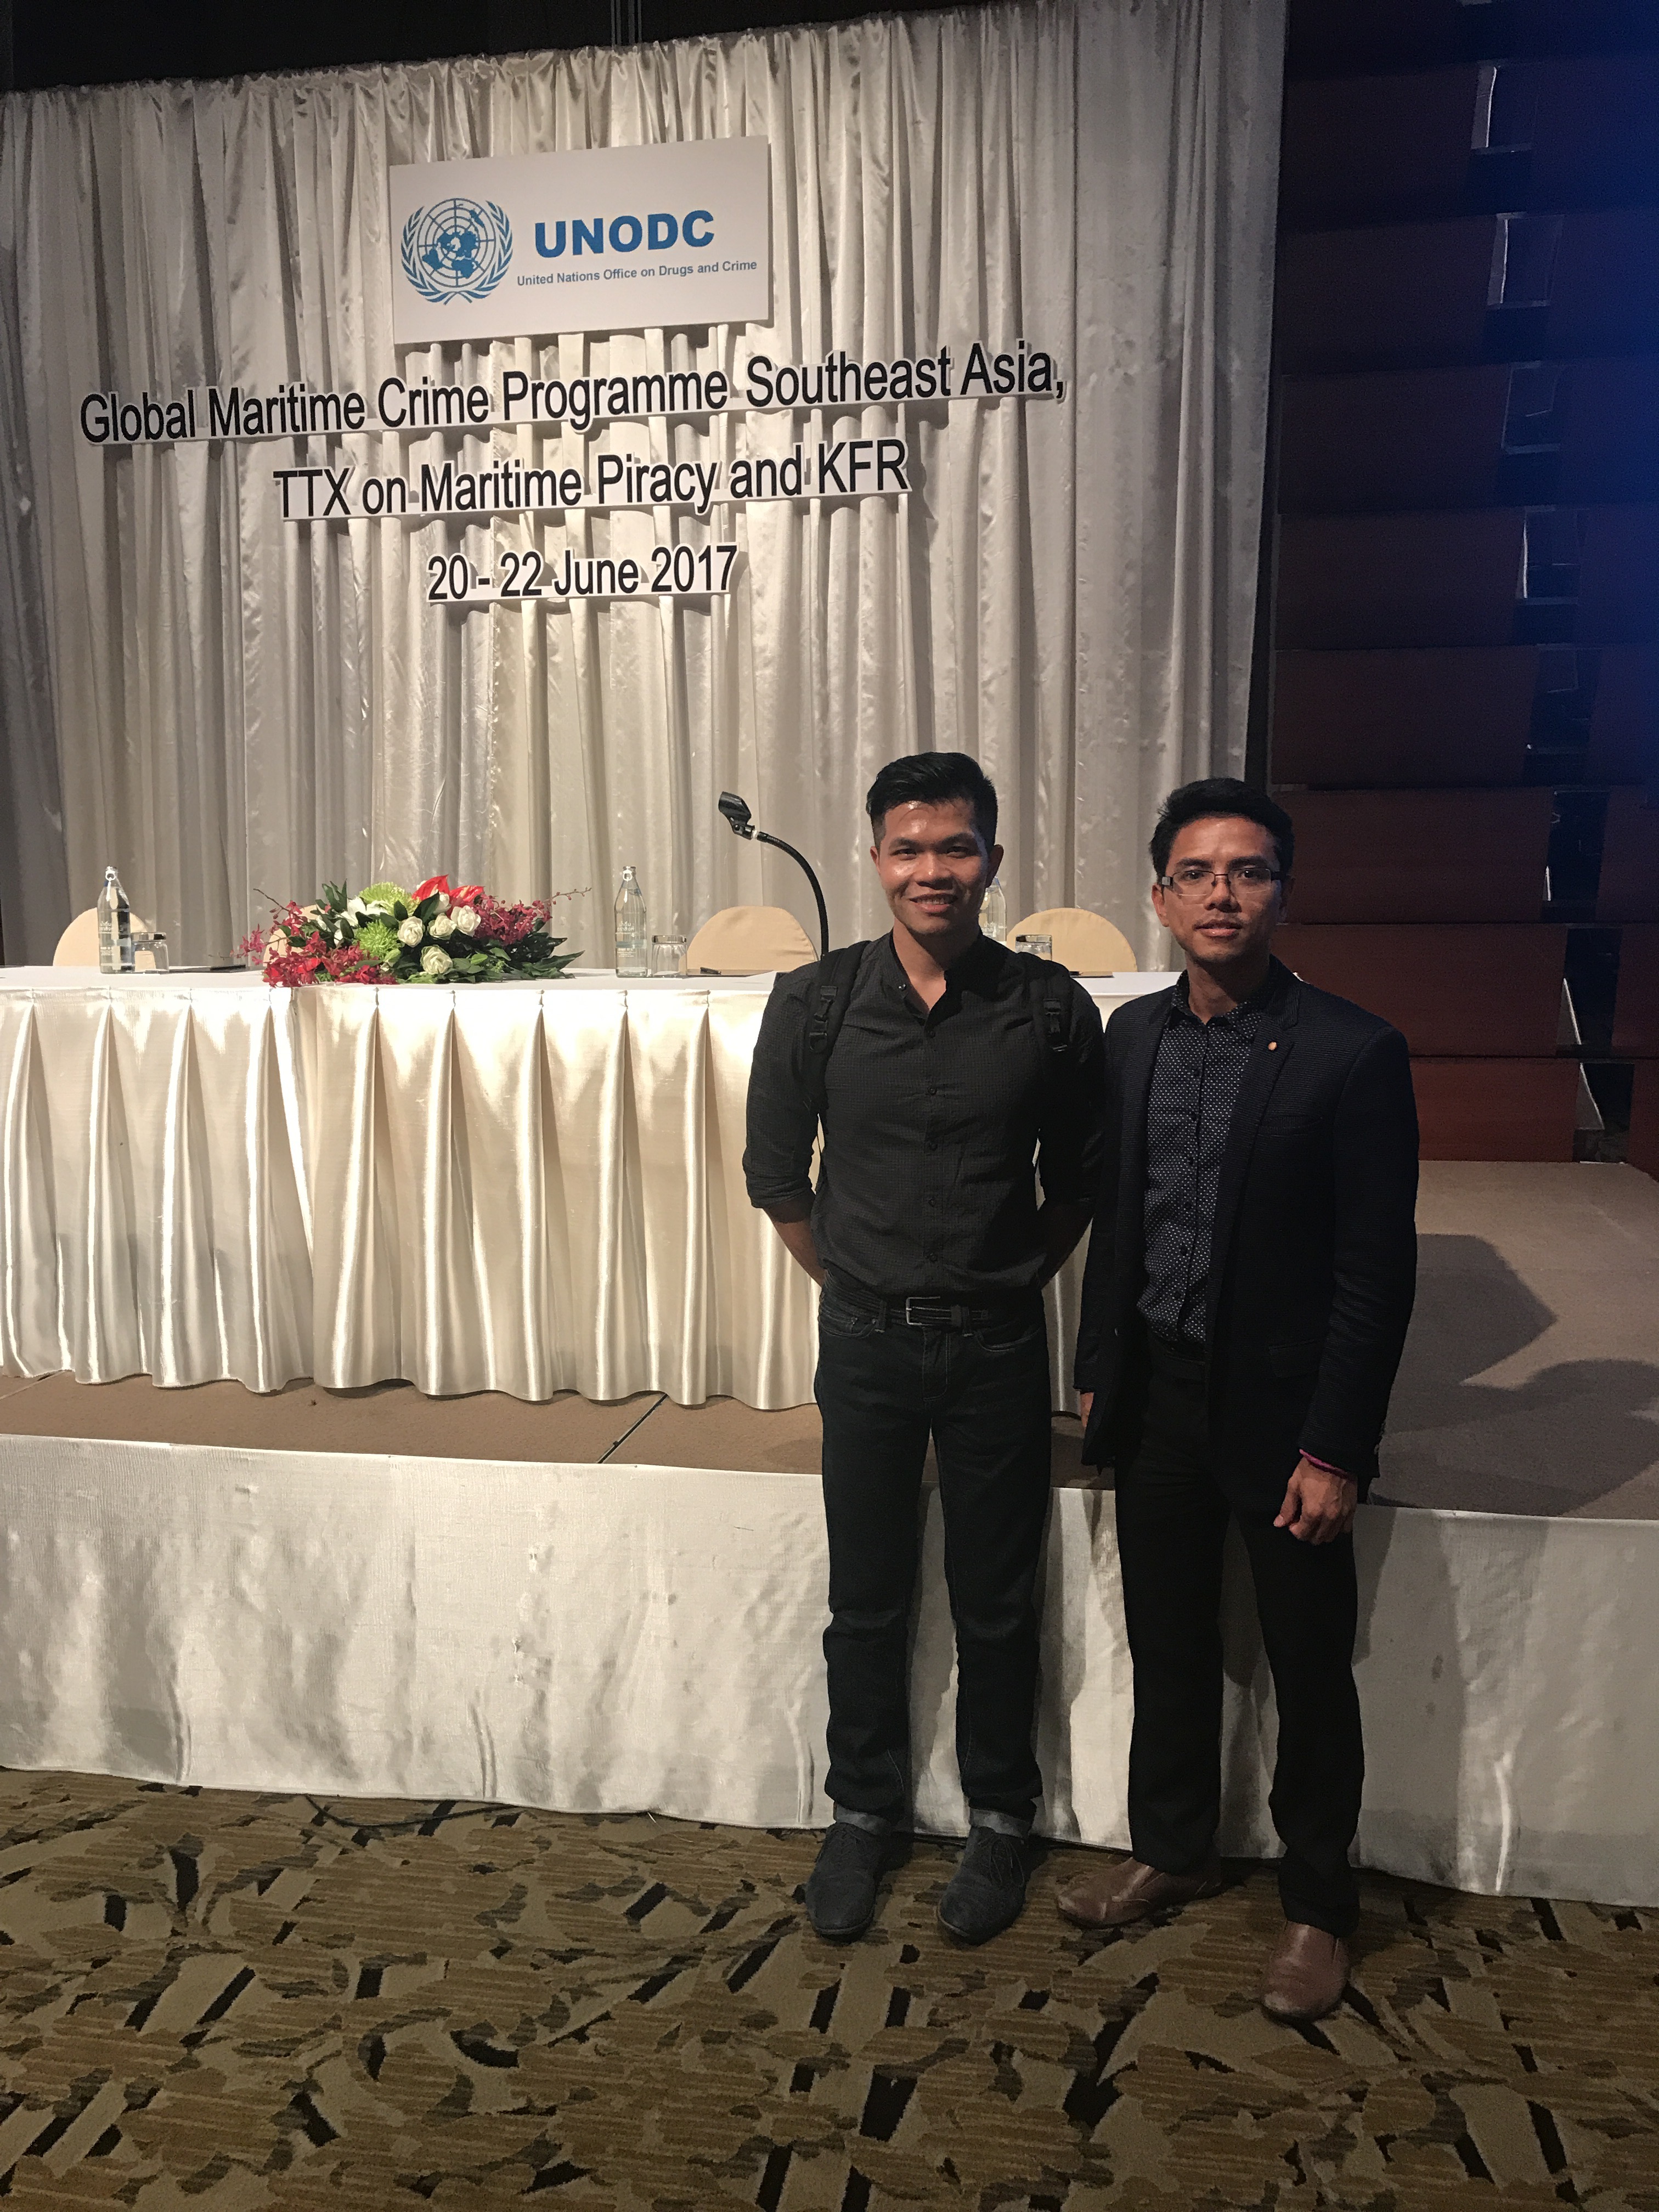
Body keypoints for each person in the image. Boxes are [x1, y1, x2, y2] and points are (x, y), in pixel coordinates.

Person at [1058, 777, 1418, 2024]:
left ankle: (1319, 1906)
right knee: (1169, 1639)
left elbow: (1376, 1276)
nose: (1224, 894)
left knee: (1310, 1667)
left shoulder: (1353, 1050)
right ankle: (1173, 1847)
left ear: (1283, 895)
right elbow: (1119, 1218)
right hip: (1158, 1393)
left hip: (1285, 1417)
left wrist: (1337, 1447)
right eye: (1198, 874)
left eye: (1250, 871)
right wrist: (1099, 1362)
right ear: (1162, 899)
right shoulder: (1133, 1039)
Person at [744, 753, 1104, 1945]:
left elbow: (1078, 1182)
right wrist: (856, 1285)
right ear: (876, 859)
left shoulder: (1050, 1008)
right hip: (864, 1344)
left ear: (992, 861)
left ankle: (1001, 1818)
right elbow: (775, 1176)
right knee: (867, 1595)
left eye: (956, 848)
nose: (931, 870)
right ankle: (864, 1811)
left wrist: (1003, 1286)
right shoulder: (815, 1001)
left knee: (997, 1599)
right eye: (908, 849)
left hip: (998, 1346)